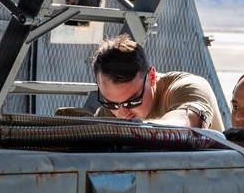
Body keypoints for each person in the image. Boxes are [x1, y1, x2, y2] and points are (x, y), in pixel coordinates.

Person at [90, 33, 223, 130]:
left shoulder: (188, 87)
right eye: (111, 103)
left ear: (151, 77)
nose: (123, 114)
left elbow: (187, 120)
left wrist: (137, 130)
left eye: (133, 101)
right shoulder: (111, 112)